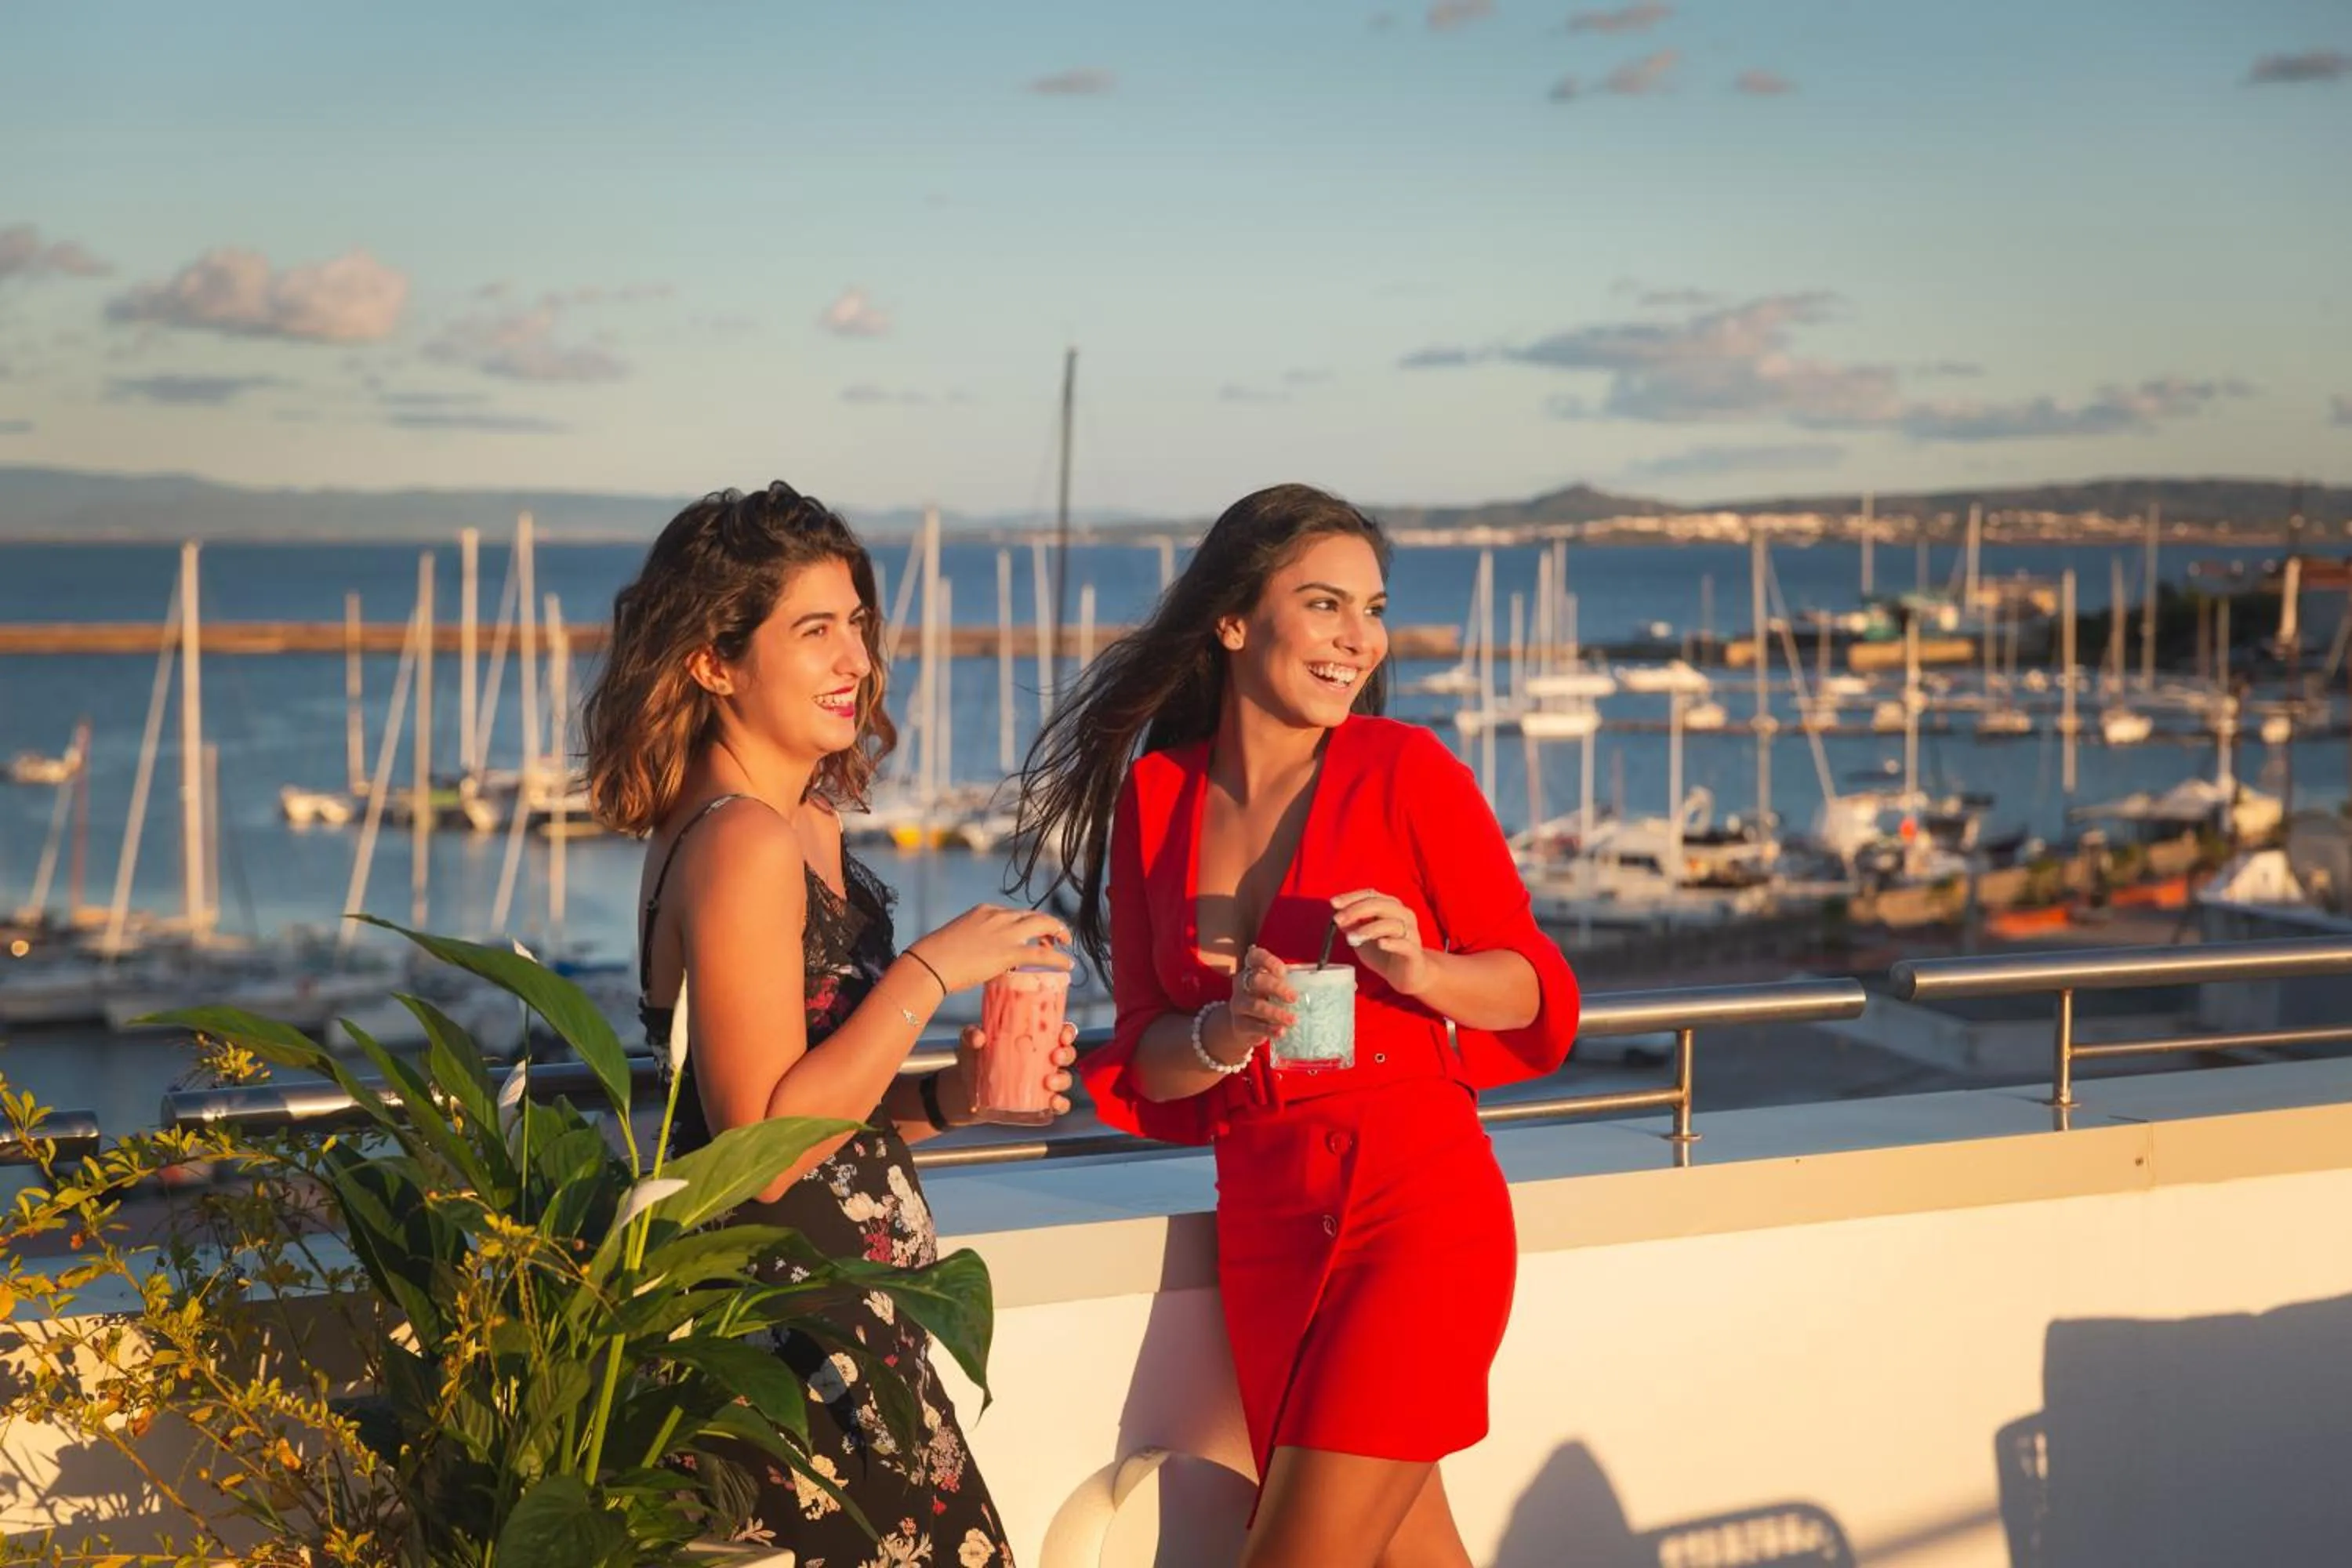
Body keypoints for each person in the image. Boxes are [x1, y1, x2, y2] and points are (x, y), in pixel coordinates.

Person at [1011, 484, 1581, 1568]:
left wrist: (1422, 967)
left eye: (1370, 609)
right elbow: (1145, 1055)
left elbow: (1533, 989)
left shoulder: (1407, 770)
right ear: (1233, 620)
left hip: (1417, 1214)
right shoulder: (1157, 798)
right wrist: (1225, 1031)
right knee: (1411, 1554)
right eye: (1325, 605)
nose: (1357, 639)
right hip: (1268, 1229)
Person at [583, 481, 1075, 1564]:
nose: (855, 658)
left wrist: (951, 1093)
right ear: (713, 660)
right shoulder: (739, 841)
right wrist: (929, 971)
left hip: (853, 1312)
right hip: (783, 1338)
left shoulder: (798, 820)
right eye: (814, 629)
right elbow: (759, 1150)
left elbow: (816, 1114)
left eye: (856, 622)